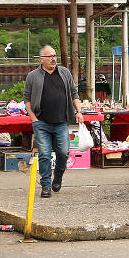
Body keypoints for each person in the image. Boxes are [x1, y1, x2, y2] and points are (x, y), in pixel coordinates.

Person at [24, 45, 85, 198]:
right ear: (41, 59)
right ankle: (45, 185)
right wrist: (33, 118)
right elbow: (27, 99)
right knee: (44, 154)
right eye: (49, 56)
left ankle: (57, 177)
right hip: (41, 122)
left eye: (55, 56)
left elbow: (74, 93)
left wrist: (79, 111)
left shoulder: (64, 72)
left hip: (61, 122)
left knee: (63, 153)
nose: (53, 59)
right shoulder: (32, 76)